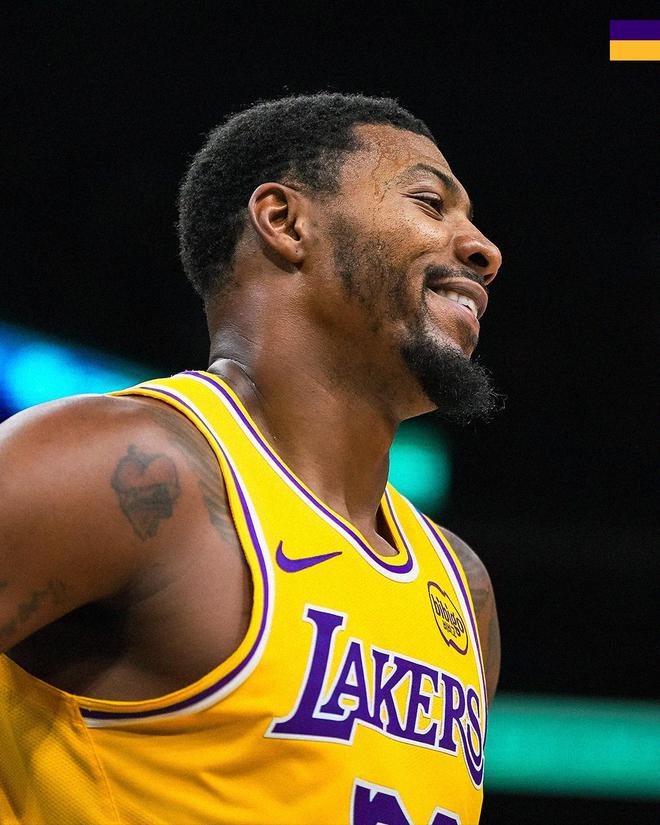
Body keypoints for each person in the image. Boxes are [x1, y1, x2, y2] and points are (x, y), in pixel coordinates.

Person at [0, 93, 502, 825]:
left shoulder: (462, 588)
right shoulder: (125, 470)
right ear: (285, 222)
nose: (485, 249)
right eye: (430, 203)